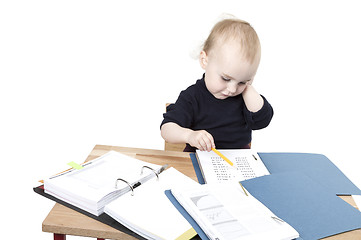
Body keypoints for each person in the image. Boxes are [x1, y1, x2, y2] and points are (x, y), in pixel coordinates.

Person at [160, 17, 273, 152]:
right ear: (204, 61)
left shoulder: (244, 96)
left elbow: (262, 120)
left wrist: (247, 88)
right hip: (198, 160)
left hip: (237, 163)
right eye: (225, 78)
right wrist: (189, 135)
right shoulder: (192, 96)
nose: (232, 89)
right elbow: (167, 128)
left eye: (242, 81)